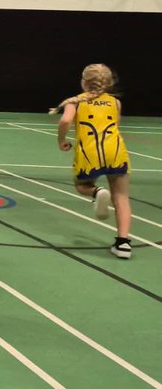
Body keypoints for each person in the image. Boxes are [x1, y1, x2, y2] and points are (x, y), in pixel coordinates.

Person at [51, 63, 133, 259]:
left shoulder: (76, 102)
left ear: (84, 82)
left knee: (82, 186)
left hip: (90, 153)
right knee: (121, 196)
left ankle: (96, 192)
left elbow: (64, 121)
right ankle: (123, 243)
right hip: (116, 151)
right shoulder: (115, 102)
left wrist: (62, 140)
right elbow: (116, 125)